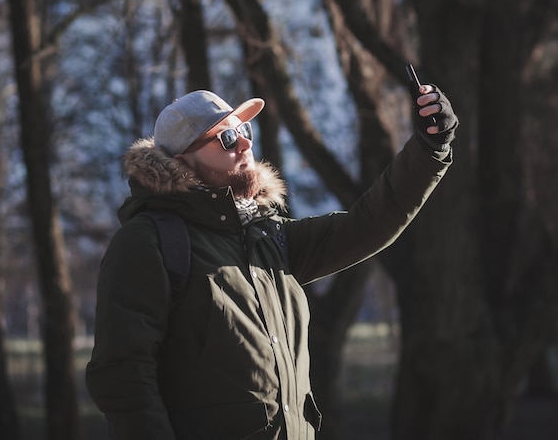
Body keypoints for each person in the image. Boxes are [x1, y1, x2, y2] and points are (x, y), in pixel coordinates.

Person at [85, 84, 458, 440]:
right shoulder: (146, 242)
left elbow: (368, 223)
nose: (245, 142)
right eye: (227, 138)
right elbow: (122, 378)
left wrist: (429, 147)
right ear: (182, 161)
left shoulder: (269, 237)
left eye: (244, 129)